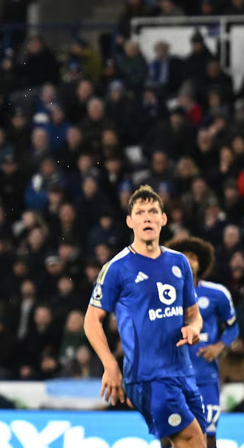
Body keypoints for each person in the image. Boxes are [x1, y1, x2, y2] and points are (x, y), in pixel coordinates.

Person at [84, 185, 206, 448]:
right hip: (147, 376)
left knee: (196, 440)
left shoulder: (179, 263)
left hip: (183, 373)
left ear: (164, 219)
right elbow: (92, 320)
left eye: (153, 211)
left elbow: (193, 314)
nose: (147, 217)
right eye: (140, 212)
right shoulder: (117, 268)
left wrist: (194, 328)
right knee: (192, 439)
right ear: (130, 222)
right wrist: (110, 365)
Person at [166, 237, 239, 447]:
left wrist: (219, 346)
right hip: (172, 376)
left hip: (206, 377)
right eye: (184, 257)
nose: (189, 261)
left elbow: (233, 326)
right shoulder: (161, 294)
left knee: (209, 436)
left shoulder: (217, 293)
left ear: (201, 263)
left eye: (194, 258)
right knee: (170, 438)